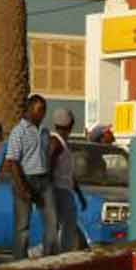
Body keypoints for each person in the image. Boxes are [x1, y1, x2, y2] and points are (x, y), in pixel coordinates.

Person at [5, 94, 59, 256]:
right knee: (23, 226)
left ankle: (48, 258)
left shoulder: (44, 131)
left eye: (44, 110)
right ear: (29, 110)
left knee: (52, 222)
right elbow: (13, 162)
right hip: (25, 179)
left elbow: (45, 155)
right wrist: (22, 188)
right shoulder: (18, 132)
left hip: (44, 180)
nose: (43, 114)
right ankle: (19, 262)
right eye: (40, 110)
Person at [50, 108, 87, 252]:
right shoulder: (56, 143)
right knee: (67, 227)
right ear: (70, 125)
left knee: (67, 228)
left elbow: (69, 174)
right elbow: (50, 168)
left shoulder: (62, 143)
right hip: (60, 191)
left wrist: (79, 194)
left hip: (65, 191)